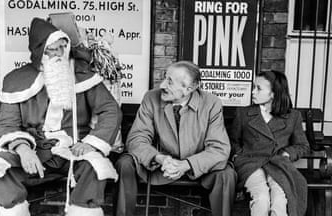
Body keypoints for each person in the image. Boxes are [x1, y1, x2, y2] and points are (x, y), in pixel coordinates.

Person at [0, 18, 122, 216]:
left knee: (94, 165)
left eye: (63, 48)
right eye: (53, 49)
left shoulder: (82, 75)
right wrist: (22, 149)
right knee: (1, 167)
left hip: (73, 152)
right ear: (40, 51)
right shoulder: (16, 80)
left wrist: (91, 143)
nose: (59, 54)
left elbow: (111, 110)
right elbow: (7, 124)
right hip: (35, 153)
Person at [114, 61, 236, 216]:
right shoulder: (151, 98)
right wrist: (159, 158)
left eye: (170, 82)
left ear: (190, 88)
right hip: (161, 166)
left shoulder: (211, 103)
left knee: (226, 174)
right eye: (165, 78)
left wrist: (186, 165)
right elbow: (136, 139)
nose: (162, 85)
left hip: (198, 168)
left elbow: (219, 149)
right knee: (124, 163)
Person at [229, 70, 310, 216]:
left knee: (280, 198)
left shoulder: (292, 116)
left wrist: (287, 154)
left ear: (274, 93)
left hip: (278, 163)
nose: (253, 92)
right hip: (250, 164)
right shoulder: (243, 113)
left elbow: (302, 146)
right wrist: (238, 156)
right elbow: (233, 141)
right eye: (254, 87)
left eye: (258, 88)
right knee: (261, 197)